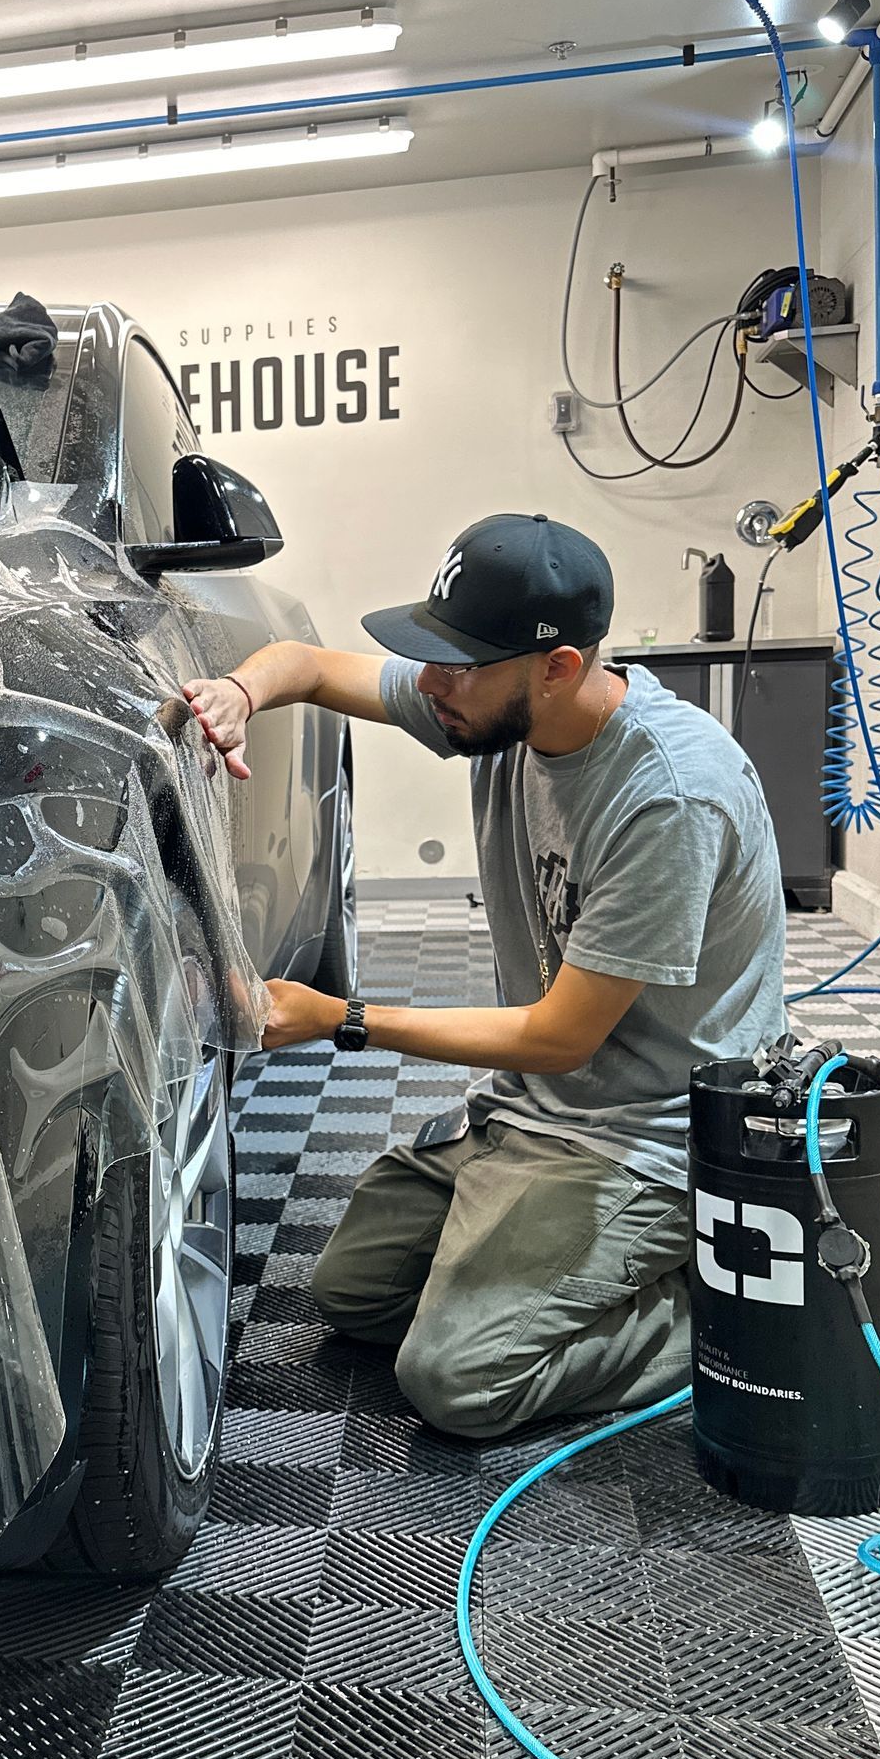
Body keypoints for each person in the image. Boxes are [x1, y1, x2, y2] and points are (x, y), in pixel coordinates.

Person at [183, 510, 788, 1441]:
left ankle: (718, 1304)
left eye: (458, 666)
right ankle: (511, 1215)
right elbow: (306, 663)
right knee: (354, 1295)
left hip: (652, 1135)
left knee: (456, 1379)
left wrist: (341, 1019)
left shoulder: (669, 794)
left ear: (560, 667)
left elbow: (559, 1037)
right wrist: (236, 692)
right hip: (537, 1110)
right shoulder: (497, 703)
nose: (432, 686)